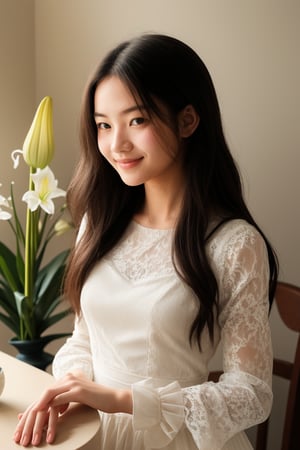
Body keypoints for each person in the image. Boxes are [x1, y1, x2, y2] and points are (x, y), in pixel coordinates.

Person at [14, 33, 278, 449]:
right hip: (89, 432)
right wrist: (73, 388)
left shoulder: (233, 245)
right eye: (103, 125)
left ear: (188, 120)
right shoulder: (100, 222)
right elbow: (83, 341)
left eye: (136, 120)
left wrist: (124, 400)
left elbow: (252, 393)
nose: (116, 144)